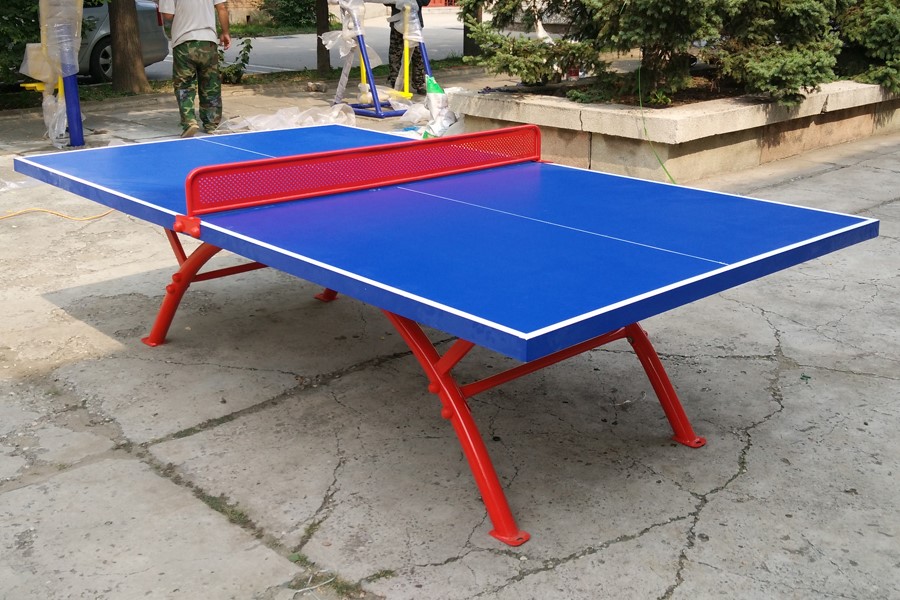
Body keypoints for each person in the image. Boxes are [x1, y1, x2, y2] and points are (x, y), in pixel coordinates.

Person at [159, 0, 231, 137]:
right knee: (210, 84)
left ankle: (189, 121)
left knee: (184, 84)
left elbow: (168, 15)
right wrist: (225, 32)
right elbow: (221, 8)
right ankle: (211, 123)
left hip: (183, 41)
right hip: (208, 41)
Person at [386, 0, 429, 95]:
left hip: (414, 25)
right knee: (395, 54)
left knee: (418, 55)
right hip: (397, 24)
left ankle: (419, 83)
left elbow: (425, 1)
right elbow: (386, 2)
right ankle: (395, 82)